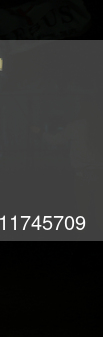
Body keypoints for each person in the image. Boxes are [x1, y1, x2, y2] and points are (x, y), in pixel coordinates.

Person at [31, 96, 103, 239]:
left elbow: (55, 141)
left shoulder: (76, 126)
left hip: (82, 176)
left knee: (83, 214)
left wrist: (40, 133)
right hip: (100, 175)